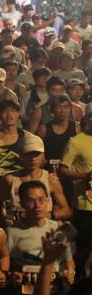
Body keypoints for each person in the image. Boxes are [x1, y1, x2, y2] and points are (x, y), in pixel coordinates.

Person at [6, 180, 75, 295]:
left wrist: (70, 273)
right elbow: (7, 267)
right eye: (31, 201)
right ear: (22, 203)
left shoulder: (58, 228)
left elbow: (69, 261)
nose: (37, 205)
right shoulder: (12, 232)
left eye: (41, 200)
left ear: (47, 201)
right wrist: (13, 276)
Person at [0, 135, 71, 227]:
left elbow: (66, 211)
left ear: (43, 155)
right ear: (21, 154)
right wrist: (3, 219)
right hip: (17, 230)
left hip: (42, 231)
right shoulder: (9, 179)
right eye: (29, 154)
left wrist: (49, 215)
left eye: (37, 154)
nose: (33, 158)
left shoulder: (50, 180)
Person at [57, 112, 92, 279]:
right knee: (83, 247)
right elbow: (62, 170)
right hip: (84, 205)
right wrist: (85, 176)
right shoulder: (76, 141)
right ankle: (78, 279)